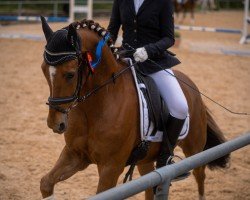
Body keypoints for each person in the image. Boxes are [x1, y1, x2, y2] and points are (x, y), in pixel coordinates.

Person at [107, 0, 190, 179]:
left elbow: (169, 38)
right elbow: (112, 30)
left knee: (180, 106)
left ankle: (165, 158)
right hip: (126, 60)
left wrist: (149, 50)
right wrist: (101, 47)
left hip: (154, 62)